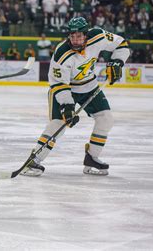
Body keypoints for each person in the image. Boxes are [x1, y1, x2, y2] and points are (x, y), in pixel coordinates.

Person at [21, 17, 130, 177]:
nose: (75, 39)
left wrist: (116, 62)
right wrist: (67, 106)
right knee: (59, 123)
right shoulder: (61, 53)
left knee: (106, 118)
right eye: (72, 36)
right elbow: (58, 83)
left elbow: (121, 44)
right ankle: (34, 159)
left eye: (79, 36)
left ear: (86, 35)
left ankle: (91, 158)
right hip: (66, 89)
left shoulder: (98, 36)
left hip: (89, 85)